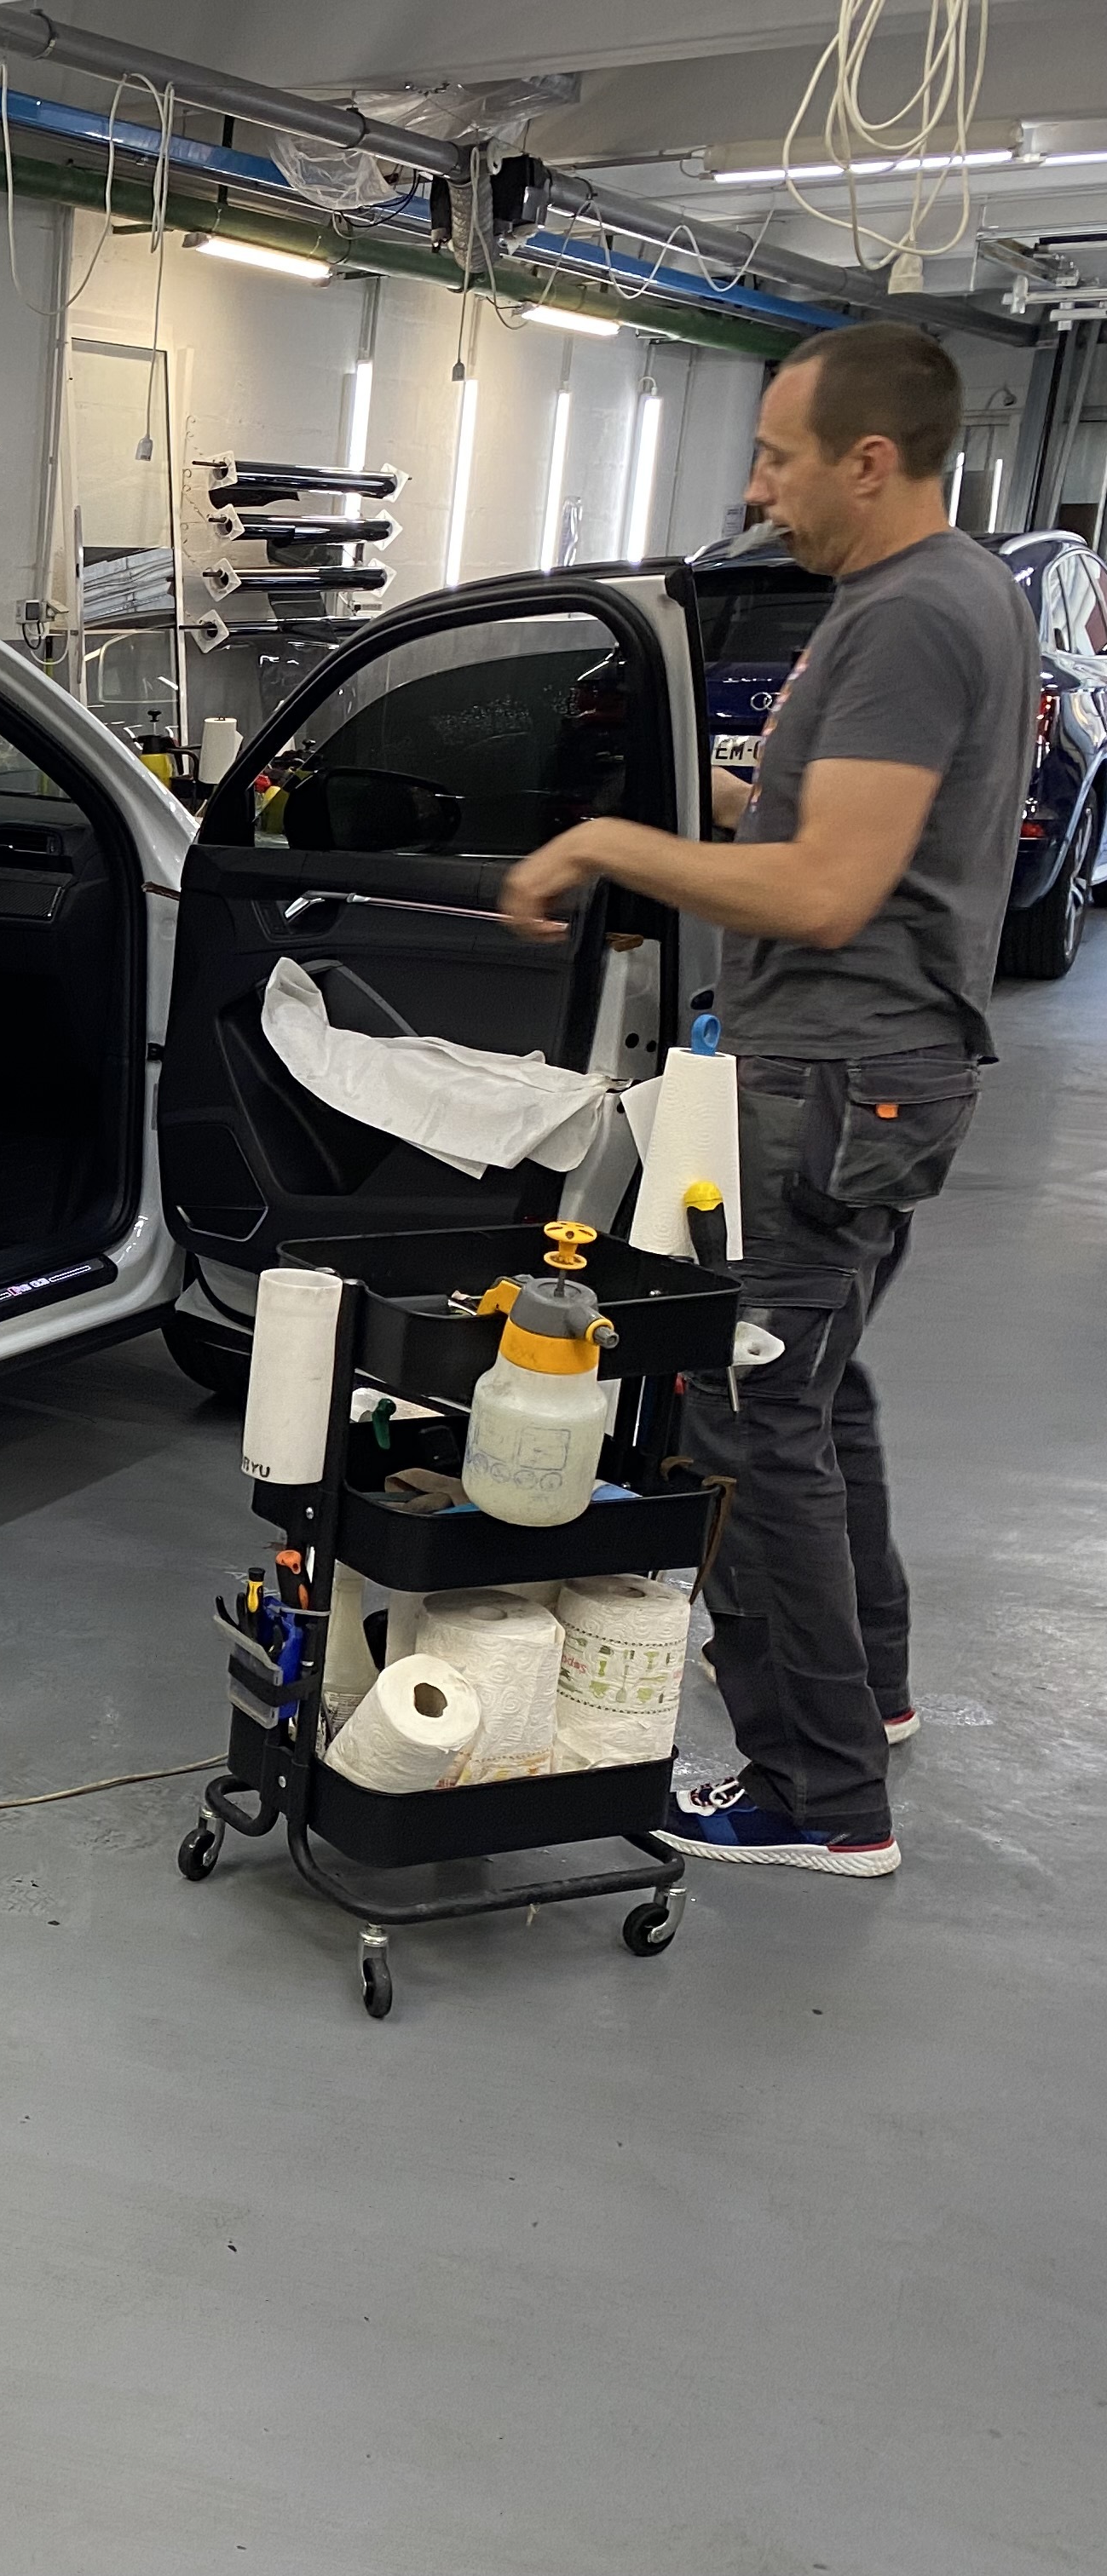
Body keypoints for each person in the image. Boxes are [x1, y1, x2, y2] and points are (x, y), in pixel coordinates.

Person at [498, 320, 1032, 1879]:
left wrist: (606, 849)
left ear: (869, 460)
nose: (755, 487)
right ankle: (871, 1694)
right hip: (873, 1070)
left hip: (833, 1072)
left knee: (743, 1419)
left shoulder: (909, 616)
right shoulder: (935, 591)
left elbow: (823, 890)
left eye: (776, 458)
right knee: (815, 1393)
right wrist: (677, 787)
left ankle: (815, 1790)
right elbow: (826, 827)